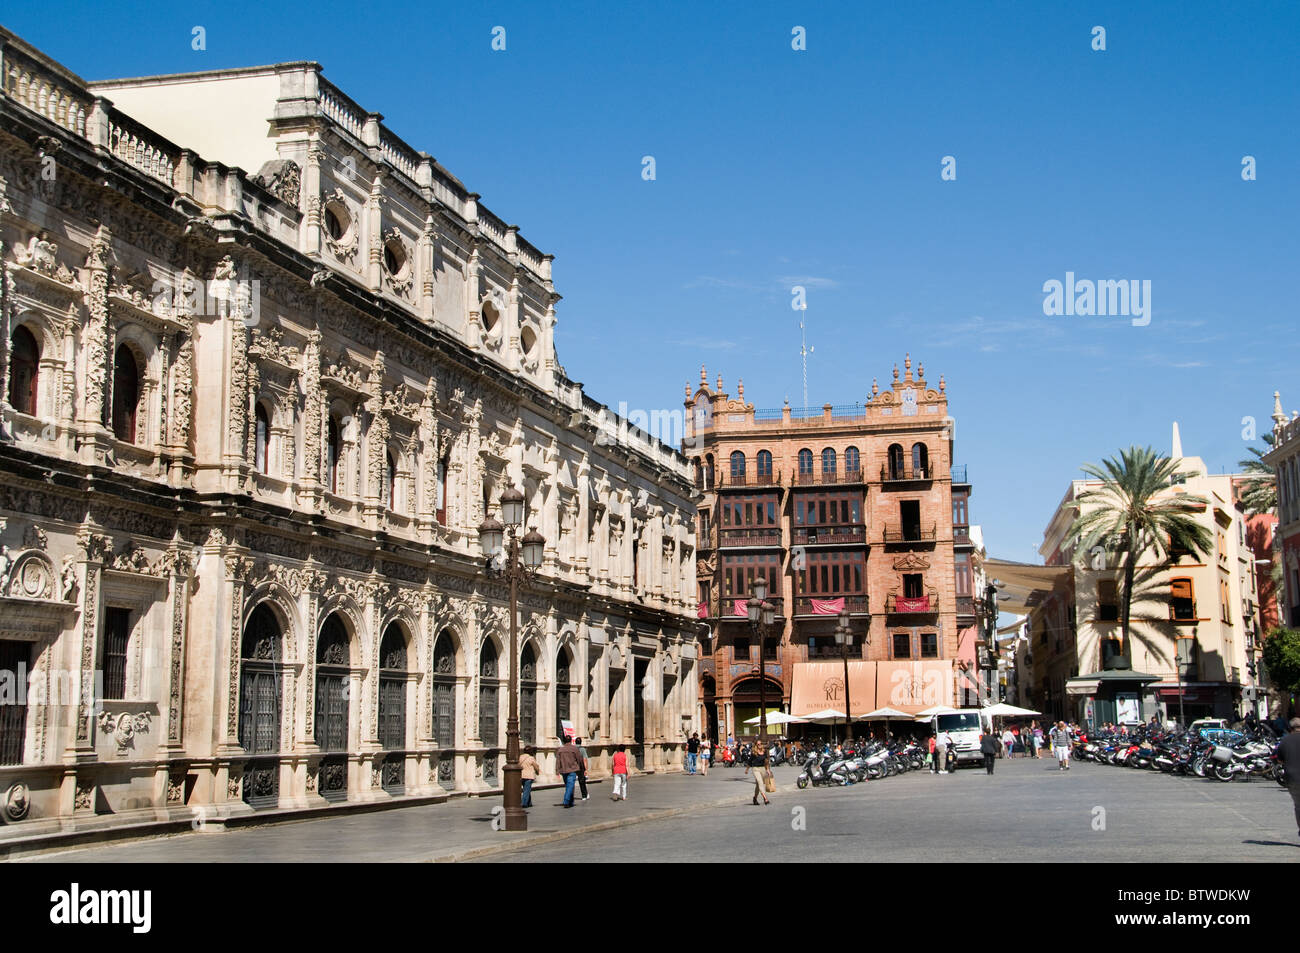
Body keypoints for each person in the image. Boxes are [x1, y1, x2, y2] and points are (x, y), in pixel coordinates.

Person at [1276, 717, 1300, 839]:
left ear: (1290, 728)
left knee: (1298, 806)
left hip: (1292, 779)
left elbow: (1279, 760)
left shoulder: (1284, 741)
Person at [556, 736, 584, 807]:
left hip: (564, 770)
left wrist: (557, 770)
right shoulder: (574, 749)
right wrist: (582, 767)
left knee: (568, 785)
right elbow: (579, 759)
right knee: (570, 786)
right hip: (572, 769)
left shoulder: (560, 750)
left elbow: (558, 761)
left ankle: (570, 801)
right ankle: (566, 801)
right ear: (571, 741)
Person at [744, 739, 771, 805]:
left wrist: (767, 770)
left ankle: (755, 798)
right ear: (756, 745)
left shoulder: (764, 751)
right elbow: (750, 761)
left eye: (761, 744)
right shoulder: (754, 752)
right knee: (760, 782)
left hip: (763, 769)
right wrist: (747, 769)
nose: (760, 745)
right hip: (756, 769)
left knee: (758, 785)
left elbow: (766, 761)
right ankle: (765, 798)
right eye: (758, 744)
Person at [574, 736, 590, 801]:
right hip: (581, 767)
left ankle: (571, 795)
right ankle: (584, 795)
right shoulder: (583, 749)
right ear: (581, 742)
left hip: (574, 767)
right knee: (582, 782)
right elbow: (585, 759)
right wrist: (586, 769)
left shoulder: (573, 749)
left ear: (575, 742)